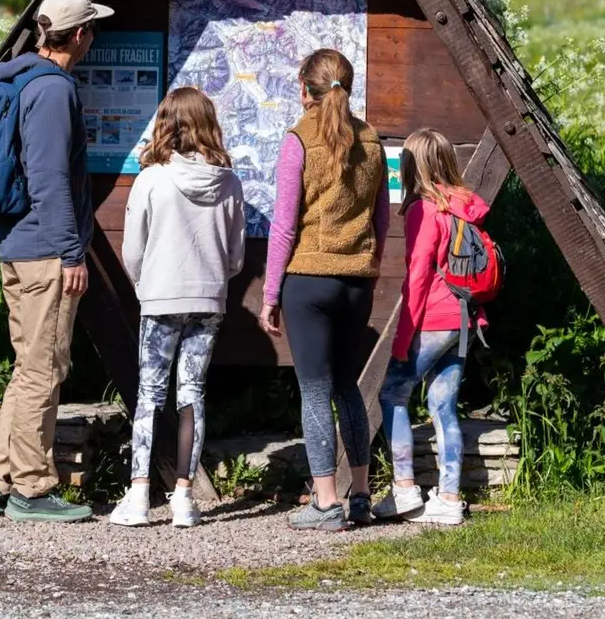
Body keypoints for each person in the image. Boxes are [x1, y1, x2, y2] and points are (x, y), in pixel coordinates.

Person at [0, 0, 114, 524]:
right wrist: (70, 251)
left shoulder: (12, 78)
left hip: (16, 245)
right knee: (43, 370)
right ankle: (31, 490)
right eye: (91, 29)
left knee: (27, 367)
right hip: (45, 251)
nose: (92, 38)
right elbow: (50, 179)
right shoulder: (53, 91)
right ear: (78, 36)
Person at [259, 48, 388, 531]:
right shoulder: (371, 140)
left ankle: (325, 502)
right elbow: (381, 217)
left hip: (309, 281)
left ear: (303, 88)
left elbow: (284, 228)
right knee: (347, 390)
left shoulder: (299, 140)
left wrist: (271, 294)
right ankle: (361, 496)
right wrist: (367, 265)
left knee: (314, 392)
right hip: (357, 280)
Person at [110, 87, 246, 528]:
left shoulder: (151, 178)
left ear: (166, 123)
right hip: (209, 297)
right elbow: (236, 258)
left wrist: (143, 284)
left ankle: (139, 494)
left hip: (161, 295)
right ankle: (185, 498)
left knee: (150, 393)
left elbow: (133, 249)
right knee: (192, 392)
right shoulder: (229, 181)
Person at [373, 128, 489, 527]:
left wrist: (404, 338)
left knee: (392, 394)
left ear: (411, 166)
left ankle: (405, 489)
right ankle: (449, 498)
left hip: (435, 320)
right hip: (466, 319)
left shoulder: (425, 209)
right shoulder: (466, 204)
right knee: (443, 407)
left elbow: (418, 277)